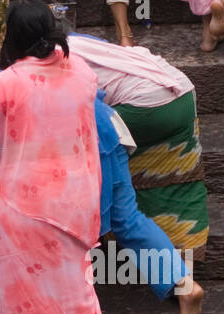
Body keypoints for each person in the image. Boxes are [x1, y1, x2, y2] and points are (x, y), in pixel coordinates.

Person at [0, 26, 203, 314]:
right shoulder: (41, 62)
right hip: (110, 131)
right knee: (128, 219)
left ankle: (72, 307)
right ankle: (183, 284)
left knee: (78, 229)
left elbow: (0, 132)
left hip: (87, 144)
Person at [0, 3, 114, 314]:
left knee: (28, 304)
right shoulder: (83, 72)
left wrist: (5, 167)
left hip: (24, 207)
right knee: (74, 295)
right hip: (76, 200)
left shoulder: (4, 83)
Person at [67, 31, 209, 261]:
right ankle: (183, 258)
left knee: (102, 169)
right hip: (183, 95)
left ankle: (101, 239)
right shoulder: (81, 42)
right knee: (178, 175)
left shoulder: (49, 61)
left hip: (144, 107)